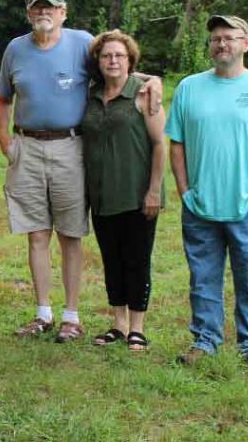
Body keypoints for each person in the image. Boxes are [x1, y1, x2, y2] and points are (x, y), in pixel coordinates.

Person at [0, 0, 160, 343]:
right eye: (38, 7)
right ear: (29, 12)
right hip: (27, 146)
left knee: (70, 234)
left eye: (51, 7)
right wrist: (5, 140)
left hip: (70, 146)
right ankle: (43, 312)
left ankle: (71, 316)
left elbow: (115, 68)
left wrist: (153, 80)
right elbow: (4, 98)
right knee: (37, 234)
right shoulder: (15, 49)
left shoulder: (82, 43)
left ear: (63, 12)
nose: (44, 12)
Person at [168, 15, 248, 370]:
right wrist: (184, 190)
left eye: (230, 37)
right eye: (216, 39)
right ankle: (204, 341)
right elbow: (177, 143)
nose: (222, 44)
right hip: (200, 206)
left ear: (246, 43)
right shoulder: (190, 87)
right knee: (202, 279)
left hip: (245, 207)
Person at [81, 31, 165, 351]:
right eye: (106, 56)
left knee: (136, 260)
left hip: (136, 194)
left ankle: (137, 328)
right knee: (111, 260)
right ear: (98, 61)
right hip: (102, 195)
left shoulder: (144, 95)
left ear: (130, 61)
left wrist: (154, 191)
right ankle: (118, 323)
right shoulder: (91, 93)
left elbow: (159, 145)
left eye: (119, 55)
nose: (113, 61)